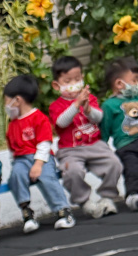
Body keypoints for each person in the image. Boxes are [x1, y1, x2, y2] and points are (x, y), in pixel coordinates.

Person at [49, 56, 120, 219]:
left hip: (94, 144)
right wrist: (76, 105)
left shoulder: (90, 98)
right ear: (56, 85)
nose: (74, 84)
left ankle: (107, 197)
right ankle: (85, 201)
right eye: (67, 81)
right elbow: (61, 122)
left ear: (82, 78)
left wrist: (88, 110)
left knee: (114, 164)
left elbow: (99, 118)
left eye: (77, 79)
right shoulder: (56, 106)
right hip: (70, 150)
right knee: (72, 172)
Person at [4, 75, 75, 233]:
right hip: (21, 160)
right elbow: (12, 150)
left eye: (7, 101)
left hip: (42, 158)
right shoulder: (12, 125)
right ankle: (27, 212)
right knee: (16, 177)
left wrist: (38, 164)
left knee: (47, 177)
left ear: (17, 100)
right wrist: (16, 166)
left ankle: (63, 210)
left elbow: (44, 144)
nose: (6, 106)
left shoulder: (39, 118)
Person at [101, 57, 138, 212]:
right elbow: (104, 130)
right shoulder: (109, 106)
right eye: (134, 80)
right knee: (132, 169)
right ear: (119, 84)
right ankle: (133, 195)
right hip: (126, 146)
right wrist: (102, 149)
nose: (137, 84)